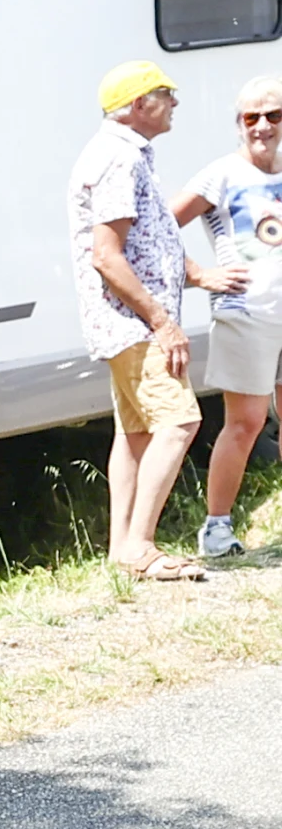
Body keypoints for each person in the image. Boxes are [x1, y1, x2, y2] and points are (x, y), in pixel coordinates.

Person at [75, 64, 228, 585]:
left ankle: (122, 547)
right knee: (180, 421)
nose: (175, 104)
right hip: (134, 324)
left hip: (121, 324)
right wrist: (162, 321)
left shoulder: (123, 153)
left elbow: (152, 240)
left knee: (137, 432)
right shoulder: (120, 158)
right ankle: (141, 545)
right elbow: (108, 255)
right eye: (167, 95)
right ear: (140, 104)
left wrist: (199, 275)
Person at [176, 75, 282, 561]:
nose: (263, 126)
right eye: (252, 117)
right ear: (238, 123)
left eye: (274, 116)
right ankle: (216, 529)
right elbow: (156, 227)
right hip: (247, 314)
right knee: (246, 423)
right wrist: (198, 274)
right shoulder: (220, 174)